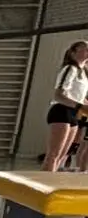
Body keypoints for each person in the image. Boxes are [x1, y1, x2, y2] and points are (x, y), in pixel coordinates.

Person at [44, 41, 88, 172]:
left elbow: (78, 96)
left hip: (74, 113)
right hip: (61, 110)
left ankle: (51, 182)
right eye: (84, 49)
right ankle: (43, 185)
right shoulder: (70, 69)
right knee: (53, 155)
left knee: (63, 155)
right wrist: (80, 106)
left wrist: (83, 104)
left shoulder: (84, 73)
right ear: (73, 52)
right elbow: (58, 95)